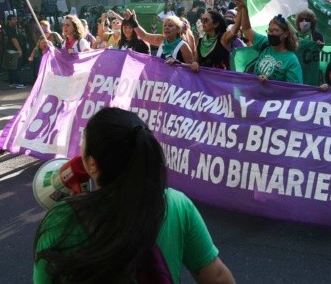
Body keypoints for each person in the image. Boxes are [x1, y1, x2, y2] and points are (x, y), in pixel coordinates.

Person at [33, 107, 235, 284]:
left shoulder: (61, 220)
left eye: (84, 139)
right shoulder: (175, 205)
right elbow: (217, 276)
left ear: (92, 164)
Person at [235, 0, 303, 83]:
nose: (271, 34)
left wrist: (270, 83)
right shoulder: (264, 43)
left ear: (286, 34)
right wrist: (243, 7)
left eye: (276, 30)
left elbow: (293, 90)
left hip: (274, 97)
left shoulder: (291, 60)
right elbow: (246, 29)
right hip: (255, 96)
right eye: (270, 30)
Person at [129, 11, 194, 64]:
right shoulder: (161, 39)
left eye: (170, 25)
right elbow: (144, 36)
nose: (166, 27)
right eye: (165, 25)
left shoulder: (183, 45)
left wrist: (178, 63)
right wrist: (134, 23)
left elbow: (191, 68)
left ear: (178, 30)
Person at [3, 14, 26, 88]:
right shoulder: (10, 29)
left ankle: (12, 82)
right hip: (13, 50)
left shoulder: (12, 28)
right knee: (16, 67)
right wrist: (19, 49)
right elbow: (14, 40)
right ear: (9, 21)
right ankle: (17, 82)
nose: (15, 21)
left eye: (16, 19)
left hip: (9, 49)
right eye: (13, 19)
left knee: (11, 67)